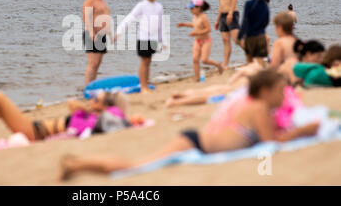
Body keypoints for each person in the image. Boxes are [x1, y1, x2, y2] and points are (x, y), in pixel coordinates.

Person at [59, 69, 319, 180]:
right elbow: (271, 142)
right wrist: (305, 131)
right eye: (279, 89)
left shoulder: (256, 106)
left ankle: (78, 164)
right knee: (135, 167)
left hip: (197, 143)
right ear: (265, 91)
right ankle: (77, 164)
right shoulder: (260, 107)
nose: (283, 93)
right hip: (195, 143)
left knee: (137, 165)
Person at [0, 91, 129, 147]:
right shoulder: (88, 115)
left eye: (96, 99)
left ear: (105, 107)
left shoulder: (98, 119)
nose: (91, 100)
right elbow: (71, 103)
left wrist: (99, 108)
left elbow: (119, 113)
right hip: (35, 128)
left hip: (35, 132)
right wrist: (92, 107)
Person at [114, 0, 166, 93]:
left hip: (153, 39)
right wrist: (119, 31)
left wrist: (163, 41)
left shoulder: (159, 7)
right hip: (143, 38)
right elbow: (130, 18)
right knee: (144, 62)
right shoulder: (142, 5)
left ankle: (146, 85)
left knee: (149, 62)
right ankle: (143, 87)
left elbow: (160, 25)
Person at [177, 0, 222, 82]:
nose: (190, 10)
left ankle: (218, 65)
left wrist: (196, 33)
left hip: (206, 41)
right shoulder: (195, 16)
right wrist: (184, 24)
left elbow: (208, 29)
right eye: (190, 8)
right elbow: (195, 25)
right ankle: (197, 78)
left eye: (192, 8)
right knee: (195, 59)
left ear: (199, 8)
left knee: (204, 60)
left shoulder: (204, 17)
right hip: (197, 41)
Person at [208, 0, 242, 69]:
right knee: (225, 40)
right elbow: (221, 5)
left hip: (232, 14)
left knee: (236, 39)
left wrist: (230, 13)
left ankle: (251, 56)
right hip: (222, 15)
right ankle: (225, 65)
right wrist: (217, 20)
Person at [82, 0, 111, 86]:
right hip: (91, 35)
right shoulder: (90, 0)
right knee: (92, 63)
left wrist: (111, 35)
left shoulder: (103, 3)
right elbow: (86, 17)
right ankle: (87, 87)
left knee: (97, 64)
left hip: (102, 36)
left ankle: (92, 86)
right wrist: (92, 33)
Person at [238, 0, 269, 65]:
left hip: (250, 36)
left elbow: (245, 21)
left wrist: (240, 36)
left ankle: (253, 76)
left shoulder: (249, 3)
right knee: (260, 59)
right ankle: (263, 75)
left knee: (250, 60)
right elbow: (266, 21)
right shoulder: (265, 5)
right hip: (261, 35)